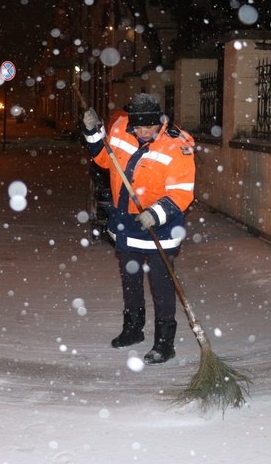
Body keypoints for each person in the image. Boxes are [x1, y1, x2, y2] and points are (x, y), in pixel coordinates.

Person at [81, 93, 196, 365]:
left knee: (161, 285)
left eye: (149, 127)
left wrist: (155, 214)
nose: (144, 133)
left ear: (159, 121)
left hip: (161, 228)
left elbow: (182, 193)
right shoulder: (122, 127)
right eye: (139, 127)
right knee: (131, 280)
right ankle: (133, 330)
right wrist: (91, 132)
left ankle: (164, 343)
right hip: (126, 221)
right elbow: (104, 159)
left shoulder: (177, 146)